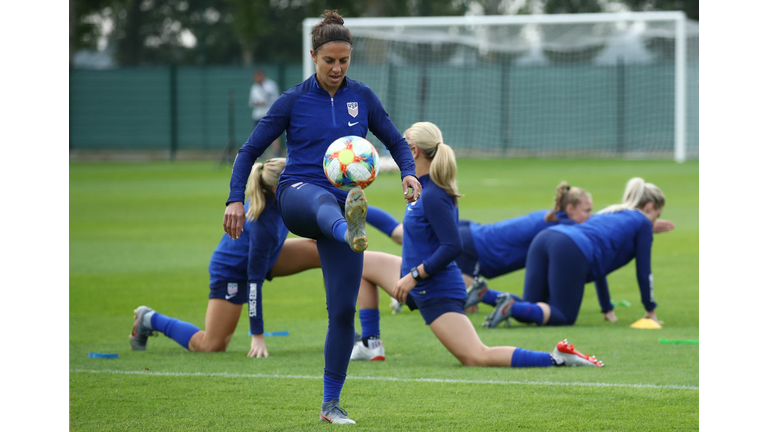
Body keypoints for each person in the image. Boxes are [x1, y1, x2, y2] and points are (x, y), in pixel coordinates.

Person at [222, 10, 421, 425]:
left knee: (343, 312)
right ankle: (349, 227)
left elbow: (396, 140)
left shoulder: (362, 98)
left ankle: (331, 404)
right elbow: (248, 150)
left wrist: (408, 173)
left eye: (344, 60)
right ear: (313, 56)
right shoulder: (293, 99)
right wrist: (234, 199)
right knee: (323, 203)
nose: (337, 68)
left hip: (343, 208)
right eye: (329, 60)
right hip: (297, 195)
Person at [358, 121, 603, 373]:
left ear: (415, 151)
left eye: (402, 144)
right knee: (361, 264)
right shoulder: (421, 187)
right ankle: (371, 344)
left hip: (434, 288)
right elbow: (403, 233)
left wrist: (414, 275)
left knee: (476, 356)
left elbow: (452, 246)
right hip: (413, 278)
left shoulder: (433, 194)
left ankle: (557, 357)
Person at [129, 160, 401, 360]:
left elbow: (348, 206)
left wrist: (393, 229)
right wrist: (257, 336)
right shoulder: (261, 223)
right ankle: (149, 319)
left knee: (333, 251)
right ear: (275, 190)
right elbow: (254, 283)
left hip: (273, 253)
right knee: (211, 345)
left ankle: (362, 339)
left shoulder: (289, 199)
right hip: (235, 272)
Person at [483, 177, 666, 328]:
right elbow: (644, 272)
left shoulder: (609, 213)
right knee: (563, 316)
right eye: (657, 216)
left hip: (544, 238)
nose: (655, 222)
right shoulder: (642, 223)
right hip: (568, 247)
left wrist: (606, 307)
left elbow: (601, 266)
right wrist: (650, 309)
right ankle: (506, 306)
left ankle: (483, 293)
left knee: (531, 310)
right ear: (649, 207)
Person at [249, 70, 281, 158]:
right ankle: (261, 153)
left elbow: (276, 98)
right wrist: (257, 103)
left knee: (273, 134)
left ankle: (276, 153)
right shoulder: (254, 87)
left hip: (269, 113)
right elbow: (251, 102)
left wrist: (266, 102)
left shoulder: (271, 85)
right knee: (259, 134)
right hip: (258, 114)